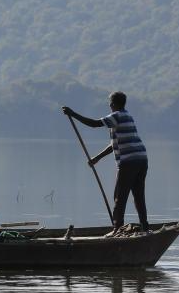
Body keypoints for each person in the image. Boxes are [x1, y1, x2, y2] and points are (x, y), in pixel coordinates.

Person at [62, 91, 150, 233]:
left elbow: (95, 124)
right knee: (138, 195)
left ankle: (117, 229)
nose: (109, 105)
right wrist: (97, 158)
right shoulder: (128, 116)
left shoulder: (115, 116)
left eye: (110, 102)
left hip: (129, 162)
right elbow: (115, 144)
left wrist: (73, 114)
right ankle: (145, 227)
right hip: (142, 159)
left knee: (119, 197)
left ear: (112, 104)